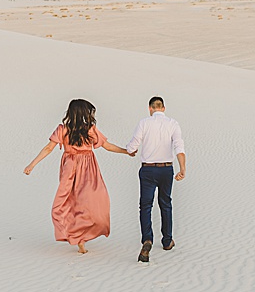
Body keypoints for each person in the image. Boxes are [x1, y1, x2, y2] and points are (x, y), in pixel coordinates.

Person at [24, 99, 132, 253]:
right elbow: (107, 146)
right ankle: (78, 236)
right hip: (85, 167)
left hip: (72, 166)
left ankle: (80, 236)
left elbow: (49, 148)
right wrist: (32, 164)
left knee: (75, 201)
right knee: (83, 200)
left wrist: (32, 164)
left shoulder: (70, 129)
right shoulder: (83, 129)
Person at [126, 96, 186, 262]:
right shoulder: (173, 123)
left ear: (150, 108)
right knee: (165, 203)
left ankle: (147, 239)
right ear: (163, 108)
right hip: (166, 169)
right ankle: (167, 241)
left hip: (148, 170)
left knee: (145, 205)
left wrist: (130, 150)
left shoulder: (144, 122)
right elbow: (179, 146)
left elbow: (133, 145)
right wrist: (183, 168)